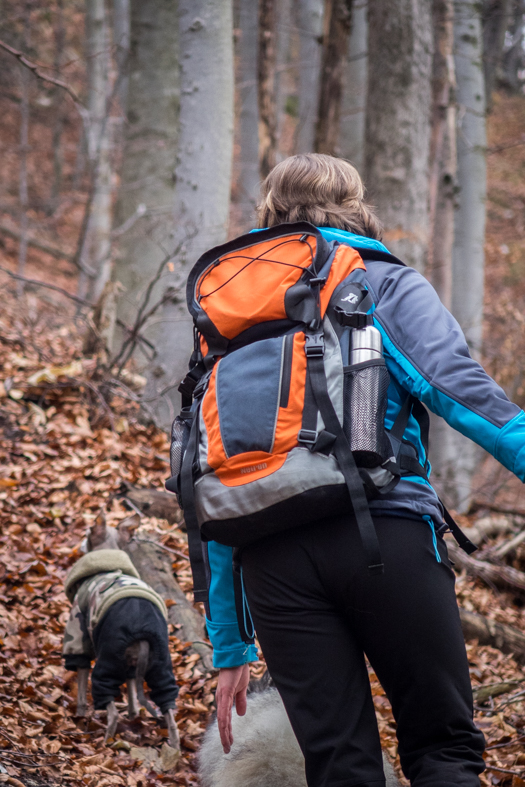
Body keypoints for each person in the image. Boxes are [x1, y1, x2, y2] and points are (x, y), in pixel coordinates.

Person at [202, 154, 525, 787]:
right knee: (444, 749)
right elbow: (456, 389)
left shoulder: (230, 319)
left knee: (339, 767)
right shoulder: (380, 281)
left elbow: (215, 478)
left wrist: (230, 642)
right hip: (384, 533)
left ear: (268, 212)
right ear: (356, 205)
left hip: (271, 565)